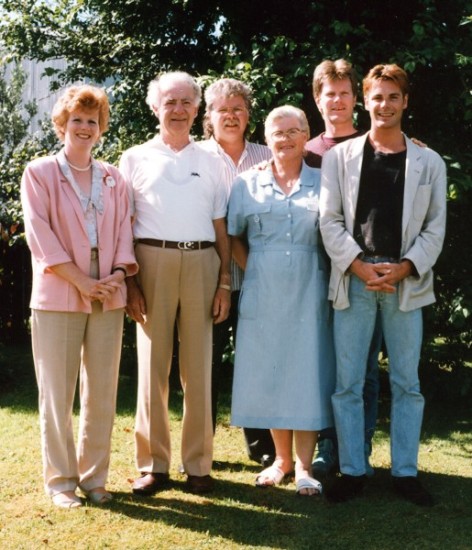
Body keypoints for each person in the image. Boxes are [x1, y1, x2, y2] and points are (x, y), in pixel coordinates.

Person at [320, 64, 446, 506]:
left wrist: (406, 267)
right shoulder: (340, 158)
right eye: (376, 97)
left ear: (405, 102)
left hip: (405, 283)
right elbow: (329, 220)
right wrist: (357, 265)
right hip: (355, 279)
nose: (384, 105)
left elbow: (435, 228)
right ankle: (353, 469)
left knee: (408, 383)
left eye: (393, 97)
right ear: (365, 101)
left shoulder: (429, 162)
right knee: (348, 382)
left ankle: (405, 472)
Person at [21, 85, 138, 508]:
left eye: (92, 120)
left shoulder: (113, 176)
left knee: (102, 390)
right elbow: (41, 236)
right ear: (62, 125)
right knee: (56, 391)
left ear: (101, 127)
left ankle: (94, 478)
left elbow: (125, 229)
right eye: (77, 120)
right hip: (58, 295)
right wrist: (81, 282)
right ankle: (60, 482)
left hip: (109, 293)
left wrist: (119, 273)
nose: (85, 127)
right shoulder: (39, 173)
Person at [120, 71, 231, 495]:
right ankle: (154, 465)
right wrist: (131, 282)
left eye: (187, 102)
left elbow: (220, 223)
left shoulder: (213, 158)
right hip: (151, 260)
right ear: (155, 107)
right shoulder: (134, 158)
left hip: (203, 260)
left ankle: (199, 464)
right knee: (152, 367)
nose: (179, 110)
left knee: (199, 368)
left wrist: (224, 280)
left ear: (198, 108)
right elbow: (123, 225)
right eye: (170, 102)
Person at [228, 105, 335, 496]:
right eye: (278, 131)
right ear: (267, 137)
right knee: (272, 373)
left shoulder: (326, 182)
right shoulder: (245, 185)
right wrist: (254, 267)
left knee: (306, 371)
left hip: (310, 289)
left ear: (307, 135)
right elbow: (233, 234)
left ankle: (305, 467)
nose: (286, 138)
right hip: (263, 290)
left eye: (294, 130)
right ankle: (280, 461)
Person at [305, 59, 381, 478]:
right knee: (324, 365)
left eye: (344, 93)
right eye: (328, 93)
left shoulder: (378, 146)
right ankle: (325, 445)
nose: (337, 100)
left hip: (361, 274)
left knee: (364, 368)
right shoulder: (307, 152)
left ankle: (361, 444)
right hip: (315, 275)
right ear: (318, 100)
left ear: (357, 98)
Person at [199, 78, 275, 466]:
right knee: (204, 363)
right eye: (222, 109)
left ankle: (262, 448)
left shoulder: (269, 154)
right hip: (206, 280)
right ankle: (201, 448)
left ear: (249, 115)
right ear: (208, 116)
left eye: (238, 108)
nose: (230, 115)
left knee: (256, 361)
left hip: (256, 278)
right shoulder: (194, 157)